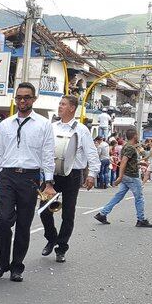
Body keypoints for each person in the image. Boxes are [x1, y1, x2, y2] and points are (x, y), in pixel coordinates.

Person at [0, 83, 56, 282]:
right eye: (19, 97)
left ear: (34, 99)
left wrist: (49, 182)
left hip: (30, 178)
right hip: (7, 176)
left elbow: (48, 154)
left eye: (26, 97)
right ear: (15, 99)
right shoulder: (6, 124)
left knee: (23, 225)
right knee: (2, 219)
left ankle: (17, 267)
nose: (22, 101)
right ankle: (2, 263)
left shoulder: (43, 124)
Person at [39, 95, 99, 263]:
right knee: (43, 209)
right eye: (59, 104)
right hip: (52, 175)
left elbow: (91, 153)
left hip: (73, 174)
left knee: (68, 213)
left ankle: (61, 247)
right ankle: (51, 237)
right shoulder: (51, 127)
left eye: (63, 104)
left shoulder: (81, 129)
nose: (60, 106)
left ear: (72, 108)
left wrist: (92, 174)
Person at [94, 130, 152, 228]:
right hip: (131, 176)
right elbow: (124, 162)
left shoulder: (126, 146)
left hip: (126, 175)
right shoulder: (130, 148)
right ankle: (141, 219)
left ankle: (102, 214)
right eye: (137, 135)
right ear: (134, 136)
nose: (138, 137)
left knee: (118, 196)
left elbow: (128, 162)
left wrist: (139, 163)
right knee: (139, 198)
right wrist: (120, 177)